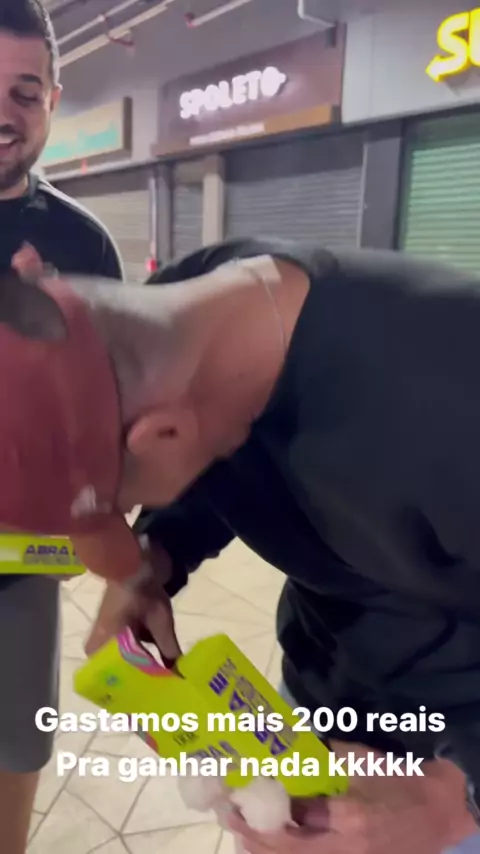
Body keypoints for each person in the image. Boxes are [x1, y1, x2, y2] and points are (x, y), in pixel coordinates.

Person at [2, 237, 480, 854]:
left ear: (163, 433)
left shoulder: (453, 397)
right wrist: (154, 559)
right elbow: (219, 461)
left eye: (117, 509)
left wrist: (448, 804)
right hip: (318, 698)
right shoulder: (189, 318)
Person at [0, 2, 123, 851]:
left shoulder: (83, 245)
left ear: (52, 97)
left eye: (23, 91)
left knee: (16, 743)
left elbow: (118, 411)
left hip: (20, 564)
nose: (3, 114)